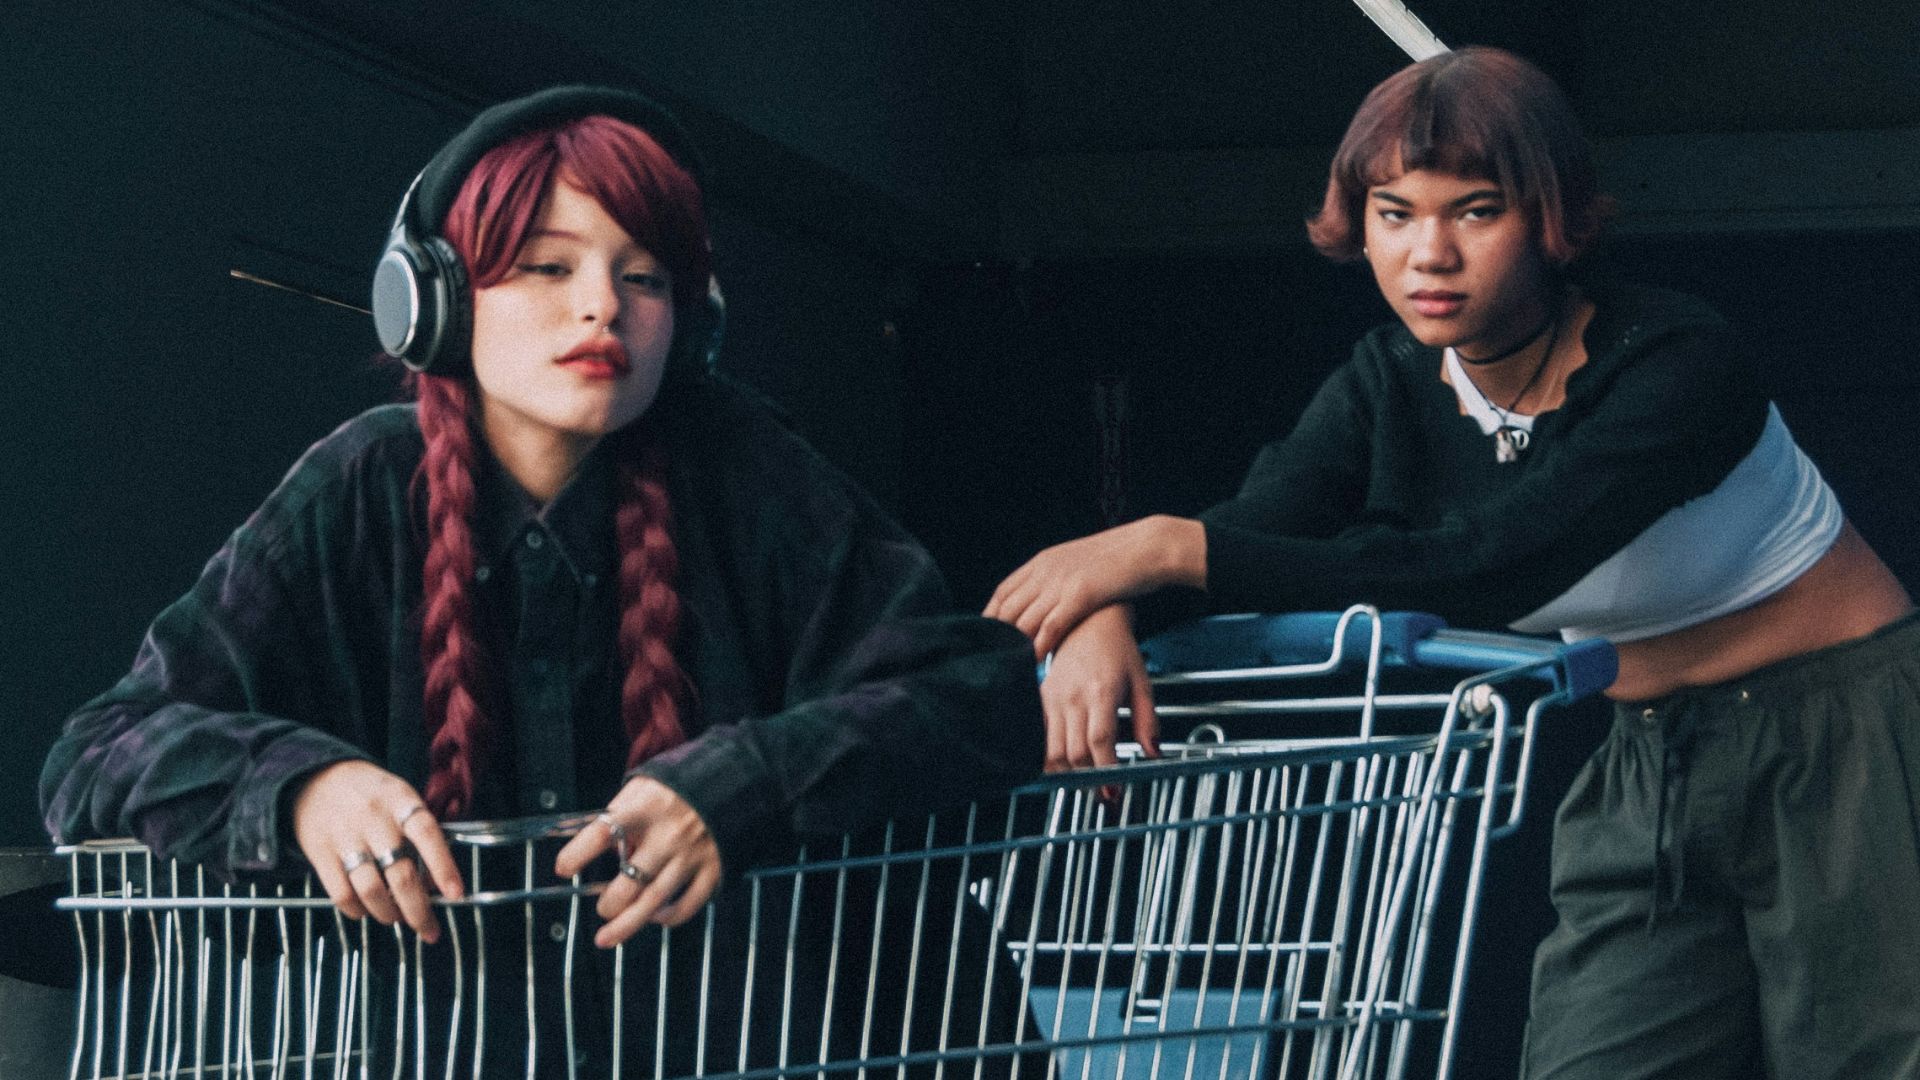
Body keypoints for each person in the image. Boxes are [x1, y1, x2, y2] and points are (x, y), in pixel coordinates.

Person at [43, 86, 1042, 1077]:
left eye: (646, 279)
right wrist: (304, 789)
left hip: (758, 1053)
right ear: (435, 300)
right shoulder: (359, 490)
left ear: (689, 326)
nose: (603, 303)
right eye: (547, 266)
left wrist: (753, 783)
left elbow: (979, 695)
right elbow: (99, 750)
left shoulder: (747, 473)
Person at [985, 46, 1920, 1080]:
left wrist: (1156, 545)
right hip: (1644, 756)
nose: (1429, 253)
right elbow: (1260, 530)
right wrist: (1111, 611)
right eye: (1395, 213)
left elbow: (1491, 567)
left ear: (1552, 220)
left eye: (1475, 211)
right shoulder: (1388, 380)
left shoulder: (1678, 361)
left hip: (1851, 734)